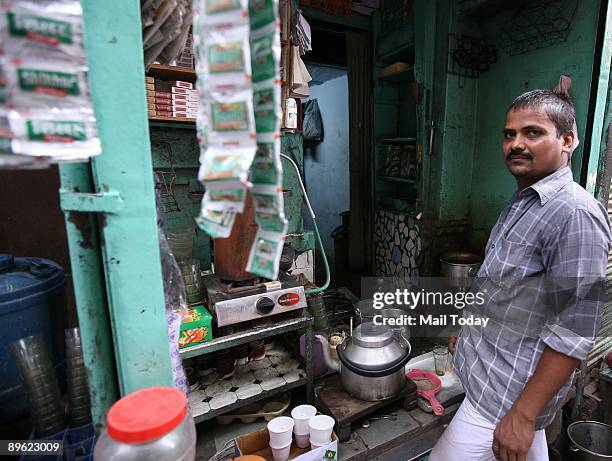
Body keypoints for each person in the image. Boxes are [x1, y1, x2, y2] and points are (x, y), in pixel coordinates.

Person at [429, 89, 611, 461]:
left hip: (505, 397)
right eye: (509, 134)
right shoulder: (524, 201)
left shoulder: (575, 214)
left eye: (532, 133)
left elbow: (574, 331)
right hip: (492, 378)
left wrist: (524, 417)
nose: (516, 144)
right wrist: (469, 331)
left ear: (567, 140)